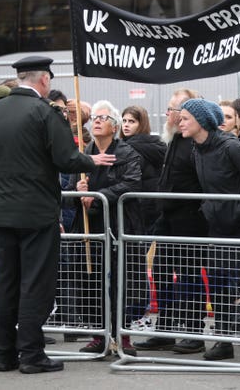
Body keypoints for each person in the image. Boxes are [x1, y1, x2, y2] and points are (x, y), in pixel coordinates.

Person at [0, 56, 114, 374]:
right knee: (35, 283)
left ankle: (3, 354)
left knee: (4, 283)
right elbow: (66, 158)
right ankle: (31, 353)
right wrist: (92, 161)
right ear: (43, 80)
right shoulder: (45, 111)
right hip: (37, 213)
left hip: (1, 212)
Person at [178, 98, 240, 363]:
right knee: (218, 283)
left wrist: (236, 211)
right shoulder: (197, 149)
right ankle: (224, 340)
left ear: (201, 121)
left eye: (185, 117)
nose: (180, 121)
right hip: (217, 226)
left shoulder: (232, 146)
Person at [133, 88, 209, 355]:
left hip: (189, 218)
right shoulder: (174, 139)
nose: (167, 114)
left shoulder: (194, 143)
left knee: (189, 276)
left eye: (171, 110)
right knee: (163, 272)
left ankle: (192, 331)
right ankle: (164, 328)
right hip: (167, 217)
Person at [73, 100, 142, 357]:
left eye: (103, 118)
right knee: (92, 280)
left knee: (124, 280)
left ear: (114, 127)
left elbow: (132, 183)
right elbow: (71, 187)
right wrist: (78, 191)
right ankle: (99, 334)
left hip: (119, 224)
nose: (97, 121)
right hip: (91, 228)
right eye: (95, 118)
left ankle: (123, 335)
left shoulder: (127, 153)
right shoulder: (84, 155)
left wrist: (99, 194)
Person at [120, 105, 166, 233]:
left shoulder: (127, 148)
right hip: (153, 201)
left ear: (142, 124)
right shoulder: (157, 144)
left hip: (137, 202)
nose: (126, 125)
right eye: (124, 121)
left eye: (132, 121)